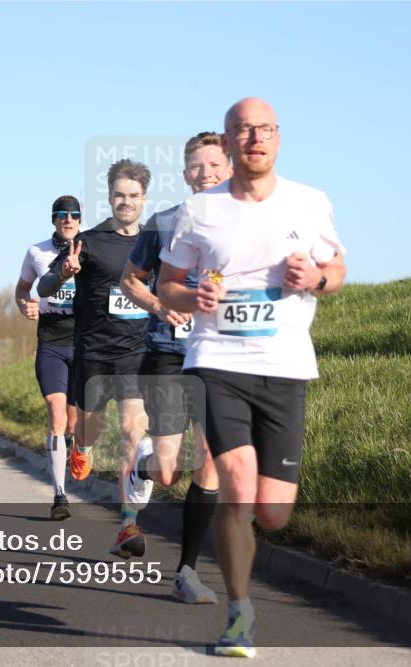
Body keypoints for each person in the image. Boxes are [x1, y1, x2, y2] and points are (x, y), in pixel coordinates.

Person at [158, 97, 347, 658]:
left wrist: (314, 276)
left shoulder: (310, 203)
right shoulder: (200, 211)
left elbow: (337, 271)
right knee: (235, 485)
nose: (254, 139)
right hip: (217, 360)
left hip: (286, 366)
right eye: (243, 130)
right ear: (228, 140)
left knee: (274, 512)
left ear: (278, 139)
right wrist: (193, 294)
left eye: (264, 129)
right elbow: (168, 284)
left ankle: (242, 578)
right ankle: (239, 614)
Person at [119, 131, 232, 604]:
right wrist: (159, 306)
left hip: (219, 355)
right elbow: (130, 281)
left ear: (228, 168)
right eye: (195, 166)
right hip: (167, 353)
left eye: (213, 165)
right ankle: (140, 470)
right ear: (185, 174)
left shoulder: (245, 224)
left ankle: (186, 571)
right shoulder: (165, 222)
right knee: (168, 471)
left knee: (207, 462)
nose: (205, 173)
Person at [37, 160, 154, 558]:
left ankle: (128, 524)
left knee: (133, 436)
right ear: (109, 197)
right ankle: (80, 448)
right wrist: (65, 274)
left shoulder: (155, 241)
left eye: (134, 196)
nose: (126, 202)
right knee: (88, 433)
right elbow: (44, 283)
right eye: (120, 195)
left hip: (137, 353)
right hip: (93, 354)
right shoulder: (87, 241)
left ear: (144, 198)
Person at [15, 195, 82, 521]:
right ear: (53, 219)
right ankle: (60, 495)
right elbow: (22, 290)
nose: (68, 220)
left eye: (74, 215)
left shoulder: (91, 249)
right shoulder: (37, 252)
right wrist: (25, 305)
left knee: (74, 423)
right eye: (62, 215)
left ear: (80, 220)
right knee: (56, 414)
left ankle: (76, 448)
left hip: (84, 344)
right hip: (52, 343)